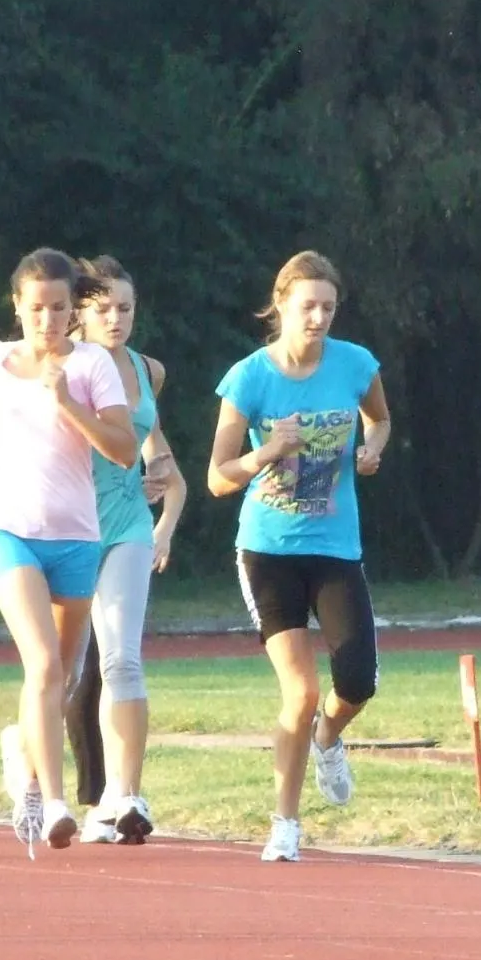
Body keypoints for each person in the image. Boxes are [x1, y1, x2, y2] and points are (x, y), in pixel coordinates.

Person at [0, 248, 135, 854]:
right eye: (36, 309)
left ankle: (21, 756)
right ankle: (54, 802)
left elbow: (124, 449)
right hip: (7, 530)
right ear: (17, 307)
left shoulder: (93, 364)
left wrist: (69, 404)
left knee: (63, 676)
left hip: (76, 536)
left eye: (58, 309)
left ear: (73, 311)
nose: (46, 321)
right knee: (44, 665)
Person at [208, 251, 391, 863]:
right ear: (281, 304)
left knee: (357, 680)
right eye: (308, 306)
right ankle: (285, 823)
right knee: (302, 690)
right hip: (269, 550)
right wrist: (266, 453)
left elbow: (380, 419)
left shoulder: (355, 364)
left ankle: (328, 739)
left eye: (328, 308)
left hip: (335, 547)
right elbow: (217, 477)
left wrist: (372, 447)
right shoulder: (249, 378)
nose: (318, 318)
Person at [64, 256, 186, 844]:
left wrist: (159, 489)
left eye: (126, 308)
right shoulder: (62, 367)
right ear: (80, 315)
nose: (116, 319)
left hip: (129, 523)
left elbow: (155, 450)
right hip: (68, 524)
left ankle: (126, 795)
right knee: (64, 672)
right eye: (103, 309)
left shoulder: (147, 369)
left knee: (122, 660)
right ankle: (31, 769)